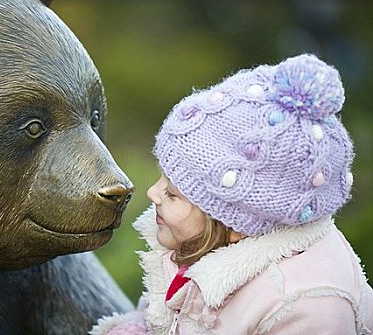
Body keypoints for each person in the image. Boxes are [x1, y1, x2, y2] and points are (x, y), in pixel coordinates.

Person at [90, 54, 373, 335]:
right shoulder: (198, 239)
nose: (152, 193)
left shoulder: (304, 307)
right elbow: (167, 313)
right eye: (162, 176)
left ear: (237, 226)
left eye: (173, 194)